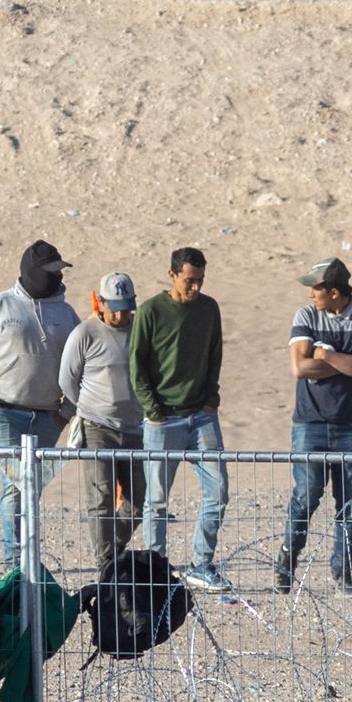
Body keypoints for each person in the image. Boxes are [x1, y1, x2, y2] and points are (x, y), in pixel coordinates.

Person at [276, 258, 352, 596]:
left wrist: (327, 355)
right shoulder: (306, 316)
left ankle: (344, 573)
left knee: (350, 503)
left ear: (334, 292)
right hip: (309, 424)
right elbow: (300, 367)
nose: (310, 294)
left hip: (351, 425)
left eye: (316, 288)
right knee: (306, 497)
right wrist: (348, 362)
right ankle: (287, 559)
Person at [0, 240, 81, 566]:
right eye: (49, 272)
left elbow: (81, 364)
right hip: (4, 413)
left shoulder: (66, 313)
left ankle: (24, 559)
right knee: (17, 484)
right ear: (31, 272)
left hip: (49, 418)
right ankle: (16, 563)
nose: (55, 277)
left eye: (58, 271)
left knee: (29, 487)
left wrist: (67, 412)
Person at [129, 247, 230, 593]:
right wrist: (153, 410)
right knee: (156, 500)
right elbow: (136, 366)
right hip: (162, 421)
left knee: (217, 491)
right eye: (189, 281)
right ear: (172, 275)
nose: (195, 288)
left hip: (201, 417)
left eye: (200, 281)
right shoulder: (150, 312)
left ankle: (202, 564)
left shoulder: (209, 309)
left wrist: (211, 400)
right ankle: (155, 571)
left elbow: (215, 354)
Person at [59, 272, 146, 574]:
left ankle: (114, 545)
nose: (121, 314)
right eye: (115, 307)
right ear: (102, 303)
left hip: (135, 428)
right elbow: (67, 380)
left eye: (127, 307)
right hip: (97, 428)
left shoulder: (140, 332)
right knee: (102, 498)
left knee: (138, 502)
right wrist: (90, 406)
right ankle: (106, 563)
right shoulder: (86, 334)